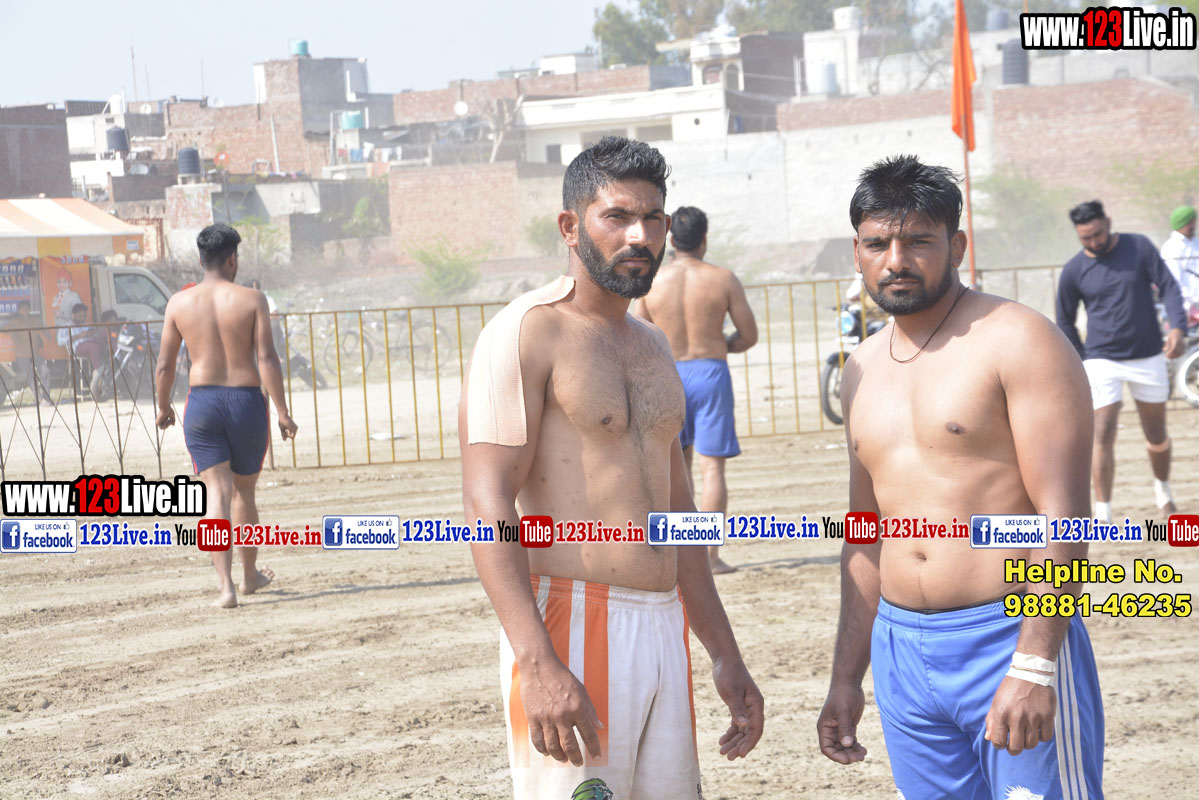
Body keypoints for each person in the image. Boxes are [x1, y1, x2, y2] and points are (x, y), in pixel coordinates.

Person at [460, 137, 762, 800]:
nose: (640, 236)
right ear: (570, 226)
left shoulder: (652, 346)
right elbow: (487, 503)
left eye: (652, 218)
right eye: (617, 217)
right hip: (572, 623)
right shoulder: (525, 332)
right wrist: (537, 662)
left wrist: (723, 652)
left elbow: (678, 516)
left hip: (663, 624)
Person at [817, 155, 1103, 800]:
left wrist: (1035, 665)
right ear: (857, 253)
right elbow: (865, 534)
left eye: (919, 241)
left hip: (1007, 636)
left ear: (957, 245)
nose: (896, 261)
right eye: (877, 244)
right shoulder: (860, 367)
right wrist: (846, 677)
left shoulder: (1019, 340)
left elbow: (1064, 519)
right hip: (901, 654)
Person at [154, 223, 298, 609]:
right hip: (246, 402)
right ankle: (250, 576)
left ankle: (226, 588)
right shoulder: (253, 300)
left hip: (202, 403)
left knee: (216, 494)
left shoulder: (178, 304)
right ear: (232, 259)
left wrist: (164, 406)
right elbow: (267, 358)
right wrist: (283, 412)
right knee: (244, 493)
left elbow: (165, 365)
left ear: (201, 259)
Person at [632, 206, 757, 575]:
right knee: (712, 469)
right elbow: (748, 335)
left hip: (668, 373)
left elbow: (637, 332)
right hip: (710, 372)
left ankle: (683, 555)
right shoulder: (723, 279)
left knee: (676, 467)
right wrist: (719, 347)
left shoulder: (652, 281)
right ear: (704, 239)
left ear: (671, 239)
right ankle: (711, 557)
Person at [1056, 200, 1187, 521]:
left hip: (1149, 355)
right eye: (1085, 238)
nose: (1093, 242)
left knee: (1156, 433)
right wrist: (1080, 361)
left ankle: (1164, 494)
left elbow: (1168, 287)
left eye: (1098, 234)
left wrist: (1177, 328)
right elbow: (1065, 320)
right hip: (1101, 360)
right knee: (1102, 431)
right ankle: (1103, 511)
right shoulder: (1074, 270)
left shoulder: (1138, 247)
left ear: (1108, 222)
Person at [2, 300, 49, 406]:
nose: (25, 310)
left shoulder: (34, 321)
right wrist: (11, 334)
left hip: (36, 353)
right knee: (30, 377)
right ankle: (40, 400)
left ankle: (47, 398)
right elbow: (3, 329)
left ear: (30, 309)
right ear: (19, 311)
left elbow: (43, 330)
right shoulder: (15, 322)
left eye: (27, 308)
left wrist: (45, 336)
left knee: (46, 372)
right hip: (21, 354)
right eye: (23, 309)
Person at [1160, 204, 1198, 312]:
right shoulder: (1171, 247)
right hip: (1184, 306)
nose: (1192, 226)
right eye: (1189, 223)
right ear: (1181, 223)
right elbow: (1174, 280)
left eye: (1193, 222)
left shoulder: (1196, 243)